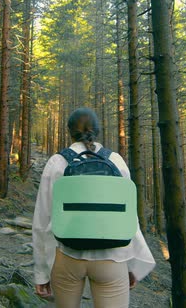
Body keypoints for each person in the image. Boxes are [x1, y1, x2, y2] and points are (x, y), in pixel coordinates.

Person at [32, 108, 156, 308]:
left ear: (70, 132)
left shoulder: (57, 162)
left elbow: (42, 220)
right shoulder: (115, 160)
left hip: (66, 256)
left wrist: (41, 272)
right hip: (112, 259)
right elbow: (128, 218)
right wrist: (133, 263)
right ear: (97, 131)